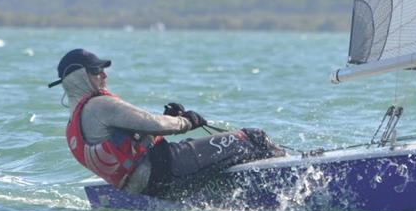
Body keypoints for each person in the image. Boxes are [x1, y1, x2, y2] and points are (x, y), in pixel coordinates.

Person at [49, 48, 284, 200]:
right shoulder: (99, 106)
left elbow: (134, 145)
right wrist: (186, 121)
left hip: (144, 187)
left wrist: (166, 119)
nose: (104, 75)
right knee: (253, 138)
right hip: (165, 169)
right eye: (97, 70)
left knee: (219, 156)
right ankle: (291, 182)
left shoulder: (73, 125)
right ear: (79, 76)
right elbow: (152, 123)